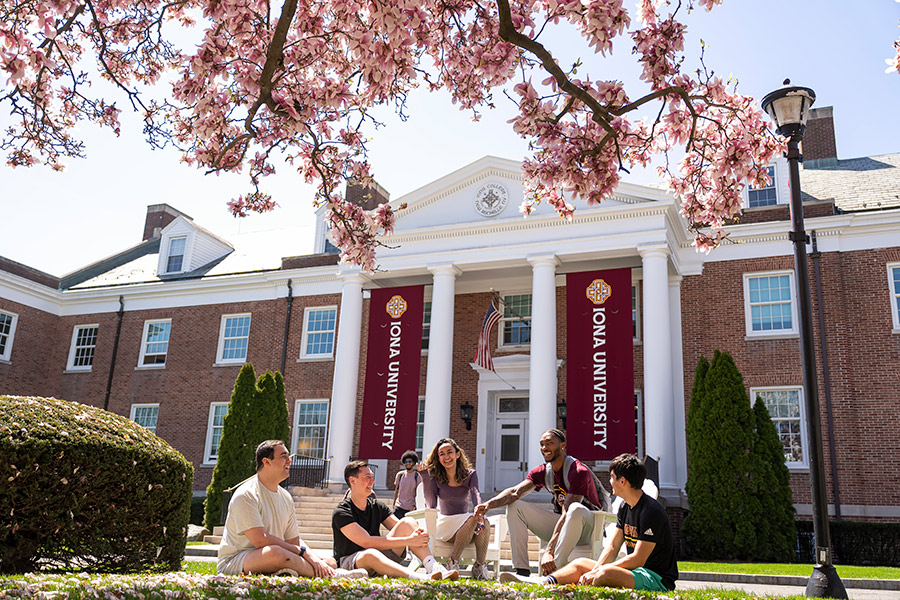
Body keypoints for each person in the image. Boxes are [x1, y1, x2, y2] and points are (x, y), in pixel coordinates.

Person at [500, 454, 678, 593]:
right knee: (580, 564)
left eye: (612, 477)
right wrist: (596, 568)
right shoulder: (625, 507)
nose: (610, 482)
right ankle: (542, 582)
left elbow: (638, 559)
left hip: (655, 577)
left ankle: (578, 586)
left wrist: (599, 570)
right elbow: (613, 547)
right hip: (634, 572)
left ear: (623, 481)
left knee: (604, 574)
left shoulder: (651, 511)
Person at [217, 440, 367, 578]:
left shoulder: (286, 497)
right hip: (237, 560)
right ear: (266, 462)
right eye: (283, 457)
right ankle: (332, 575)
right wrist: (300, 552)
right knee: (277, 553)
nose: (290, 460)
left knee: (329, 561)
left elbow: (293, 540)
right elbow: (260, 540)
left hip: (272, 553)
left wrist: (313, 559)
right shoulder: (246, 495)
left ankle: (305, 570)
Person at [474, 428, 604, 576]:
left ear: (562, 445)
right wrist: (488, 504)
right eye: (542, 444)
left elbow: (568, 511)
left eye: (549, 443)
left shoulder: (579, 471)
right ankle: (522, 571)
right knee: (515, 506)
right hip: (563, 525)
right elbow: (515, 492)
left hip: (587, 528)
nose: (544, 448)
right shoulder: (543, 472)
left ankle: (554, 573)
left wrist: (549, 550)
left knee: (575, 509)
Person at [331, 460, 459, 580]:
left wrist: (417, 535)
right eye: (367, 477)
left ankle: (433, 566)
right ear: (352, 481)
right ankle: (420, 577)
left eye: (372, 477)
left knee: (408, 522)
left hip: (380, 558)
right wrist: (409, 540)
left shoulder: (377, 506)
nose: (372, 481)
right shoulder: (342, 512)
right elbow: (367, 542)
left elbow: (403, 527)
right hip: (351, 562)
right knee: (370, 553)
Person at [417, 438, 491, 579]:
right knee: (472, 518)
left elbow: (476, 494)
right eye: (442, 454)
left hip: (467, 527)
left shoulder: (470, 474)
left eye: (449, 452)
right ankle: (453, 562)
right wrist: (425, 477)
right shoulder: (435, 477)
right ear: (438, 458)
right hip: (446, 526)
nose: (446, 457)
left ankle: (479, 566)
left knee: (484, 521)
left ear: (458, 454)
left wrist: (480, 515)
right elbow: (431, 504)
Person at [392, 450, 421, 519]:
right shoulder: (400, 475)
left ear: (413, 462)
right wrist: (394, 504)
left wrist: (415, 506)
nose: (408, 463)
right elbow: (396, 490)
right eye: (406, 462)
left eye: (410, 462)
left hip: (410, 508)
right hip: (399, 507)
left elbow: (419, 493)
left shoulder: (417, 476)